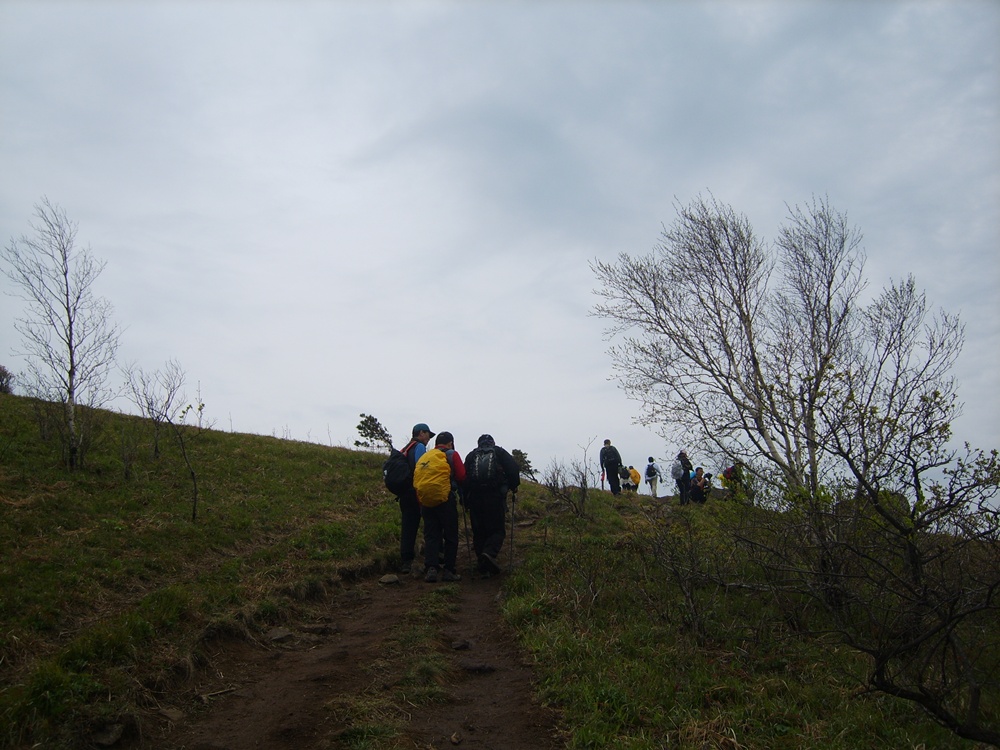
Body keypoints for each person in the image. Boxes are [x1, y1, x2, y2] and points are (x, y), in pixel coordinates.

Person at [463, 434, 520, 577]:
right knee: (497, 530)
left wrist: (464, 498)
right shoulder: (499, 452)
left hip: (475, 498)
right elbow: (513, 469)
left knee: (479, 530)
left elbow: (464, 478)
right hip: (494, 496)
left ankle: (482, 563)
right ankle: (488, 553)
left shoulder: (471, 455)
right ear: (492, 442)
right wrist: (513, 487)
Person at [396, 423, 434, 574]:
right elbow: (421, 468)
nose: (428, 439)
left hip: (404, 493)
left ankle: (406, 561)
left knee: (408, 527)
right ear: (421, 433)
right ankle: (433, 558)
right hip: (415, 493)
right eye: (427, 435)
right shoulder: (419, 447)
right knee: (430, 525)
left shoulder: (405, 448)